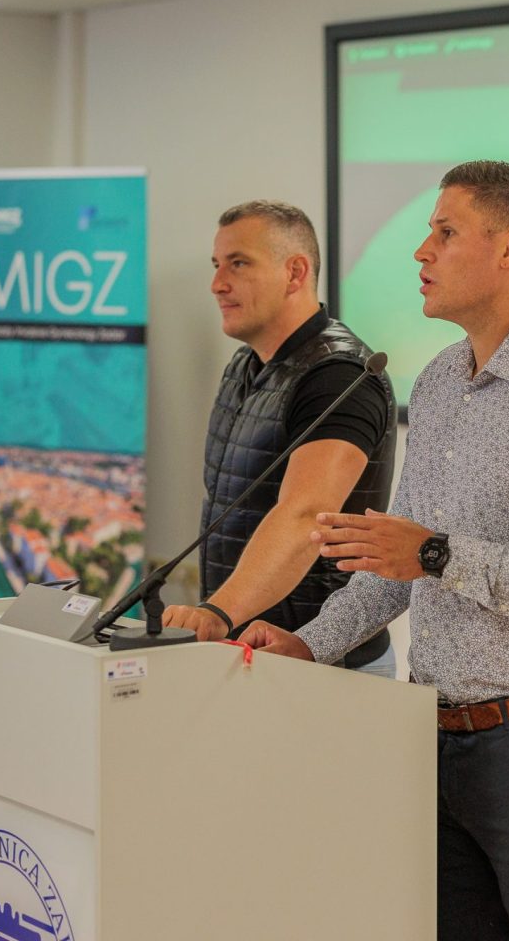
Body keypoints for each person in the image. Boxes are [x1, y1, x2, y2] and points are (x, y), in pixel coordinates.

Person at [240, 161, 509, 940]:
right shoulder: (437, 383)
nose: (421, 251)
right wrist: (310, 643)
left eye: (445, 231)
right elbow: (397, 558)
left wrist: (438, 556)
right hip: (437, 739)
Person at [160, 200, 398, 674]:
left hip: (324, 665)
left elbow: (306, 515)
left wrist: (216, 612)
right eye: (216, 264)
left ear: (295, 273)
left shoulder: (339, 375)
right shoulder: (245, 365)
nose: (217, 283)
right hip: (248, 652)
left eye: (238, 264)